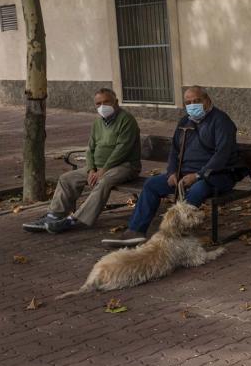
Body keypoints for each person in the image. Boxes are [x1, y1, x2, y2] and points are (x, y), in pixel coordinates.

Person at [102, 86, 242, 247]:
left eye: (197, 101)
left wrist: (198, 175)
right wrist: (172, 172)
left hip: (216, 175)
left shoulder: (221, 121)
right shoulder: (184, 122)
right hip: (185, 173)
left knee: (197, 190)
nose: (192, 105)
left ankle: (173, 237)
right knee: (152, 185)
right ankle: (135, 232)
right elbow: (175, 151)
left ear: (207, 100)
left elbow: (222, 154)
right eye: (188, 102)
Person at [22, 88, 141, 234]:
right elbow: (90, 148)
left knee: (104, 181)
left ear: (115, 102)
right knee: (66, 178)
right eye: (98, 103)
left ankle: (75, 220)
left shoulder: (127, 120)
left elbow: (122, 149)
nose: (102, 106)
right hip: (97, 168)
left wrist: (103, 170)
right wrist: (91, 169)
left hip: (124, 166)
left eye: (106, 102)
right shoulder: (98, 122)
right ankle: (54, 216)